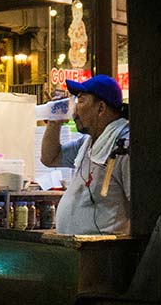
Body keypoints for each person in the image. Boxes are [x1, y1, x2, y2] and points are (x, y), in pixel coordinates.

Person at [39, 74, 131, 236]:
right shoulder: (87, 143)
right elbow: (50, 158)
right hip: (78, 250)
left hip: (102, 253)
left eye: (81, 101)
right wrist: (54, 120)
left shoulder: (123, 147)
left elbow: (141, 208)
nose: (74, 111)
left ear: (101, 108)